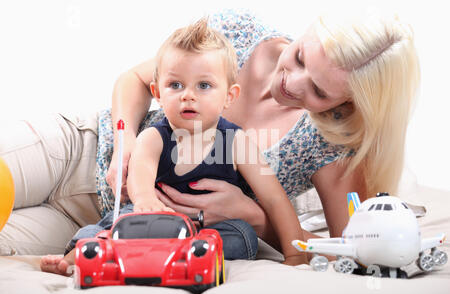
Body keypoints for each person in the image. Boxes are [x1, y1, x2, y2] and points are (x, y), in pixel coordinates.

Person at [0, 9, 420, 261]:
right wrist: (124, 146)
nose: (292, 82)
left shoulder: (329, 145)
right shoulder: (235, 33)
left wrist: (255, 218)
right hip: (80, 150)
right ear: (308, 32)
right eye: (300, 58)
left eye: (320, 91)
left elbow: (355, 247)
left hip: (107, 224)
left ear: (344, 104)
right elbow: (134, 78)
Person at [40, 18, 307, 275]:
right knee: (114, 224)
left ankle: (174, 252)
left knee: (243, 236)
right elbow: (140, 172)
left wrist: (296, 255)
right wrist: (146, 200)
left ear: (229, 96)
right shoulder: (155, 136)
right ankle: (74, 259)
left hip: (207, 230)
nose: (187, 95)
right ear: (157, 93)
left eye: (204, 85)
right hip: (156, 218)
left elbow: (274, 199)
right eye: (175, 85)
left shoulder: (237, 142)